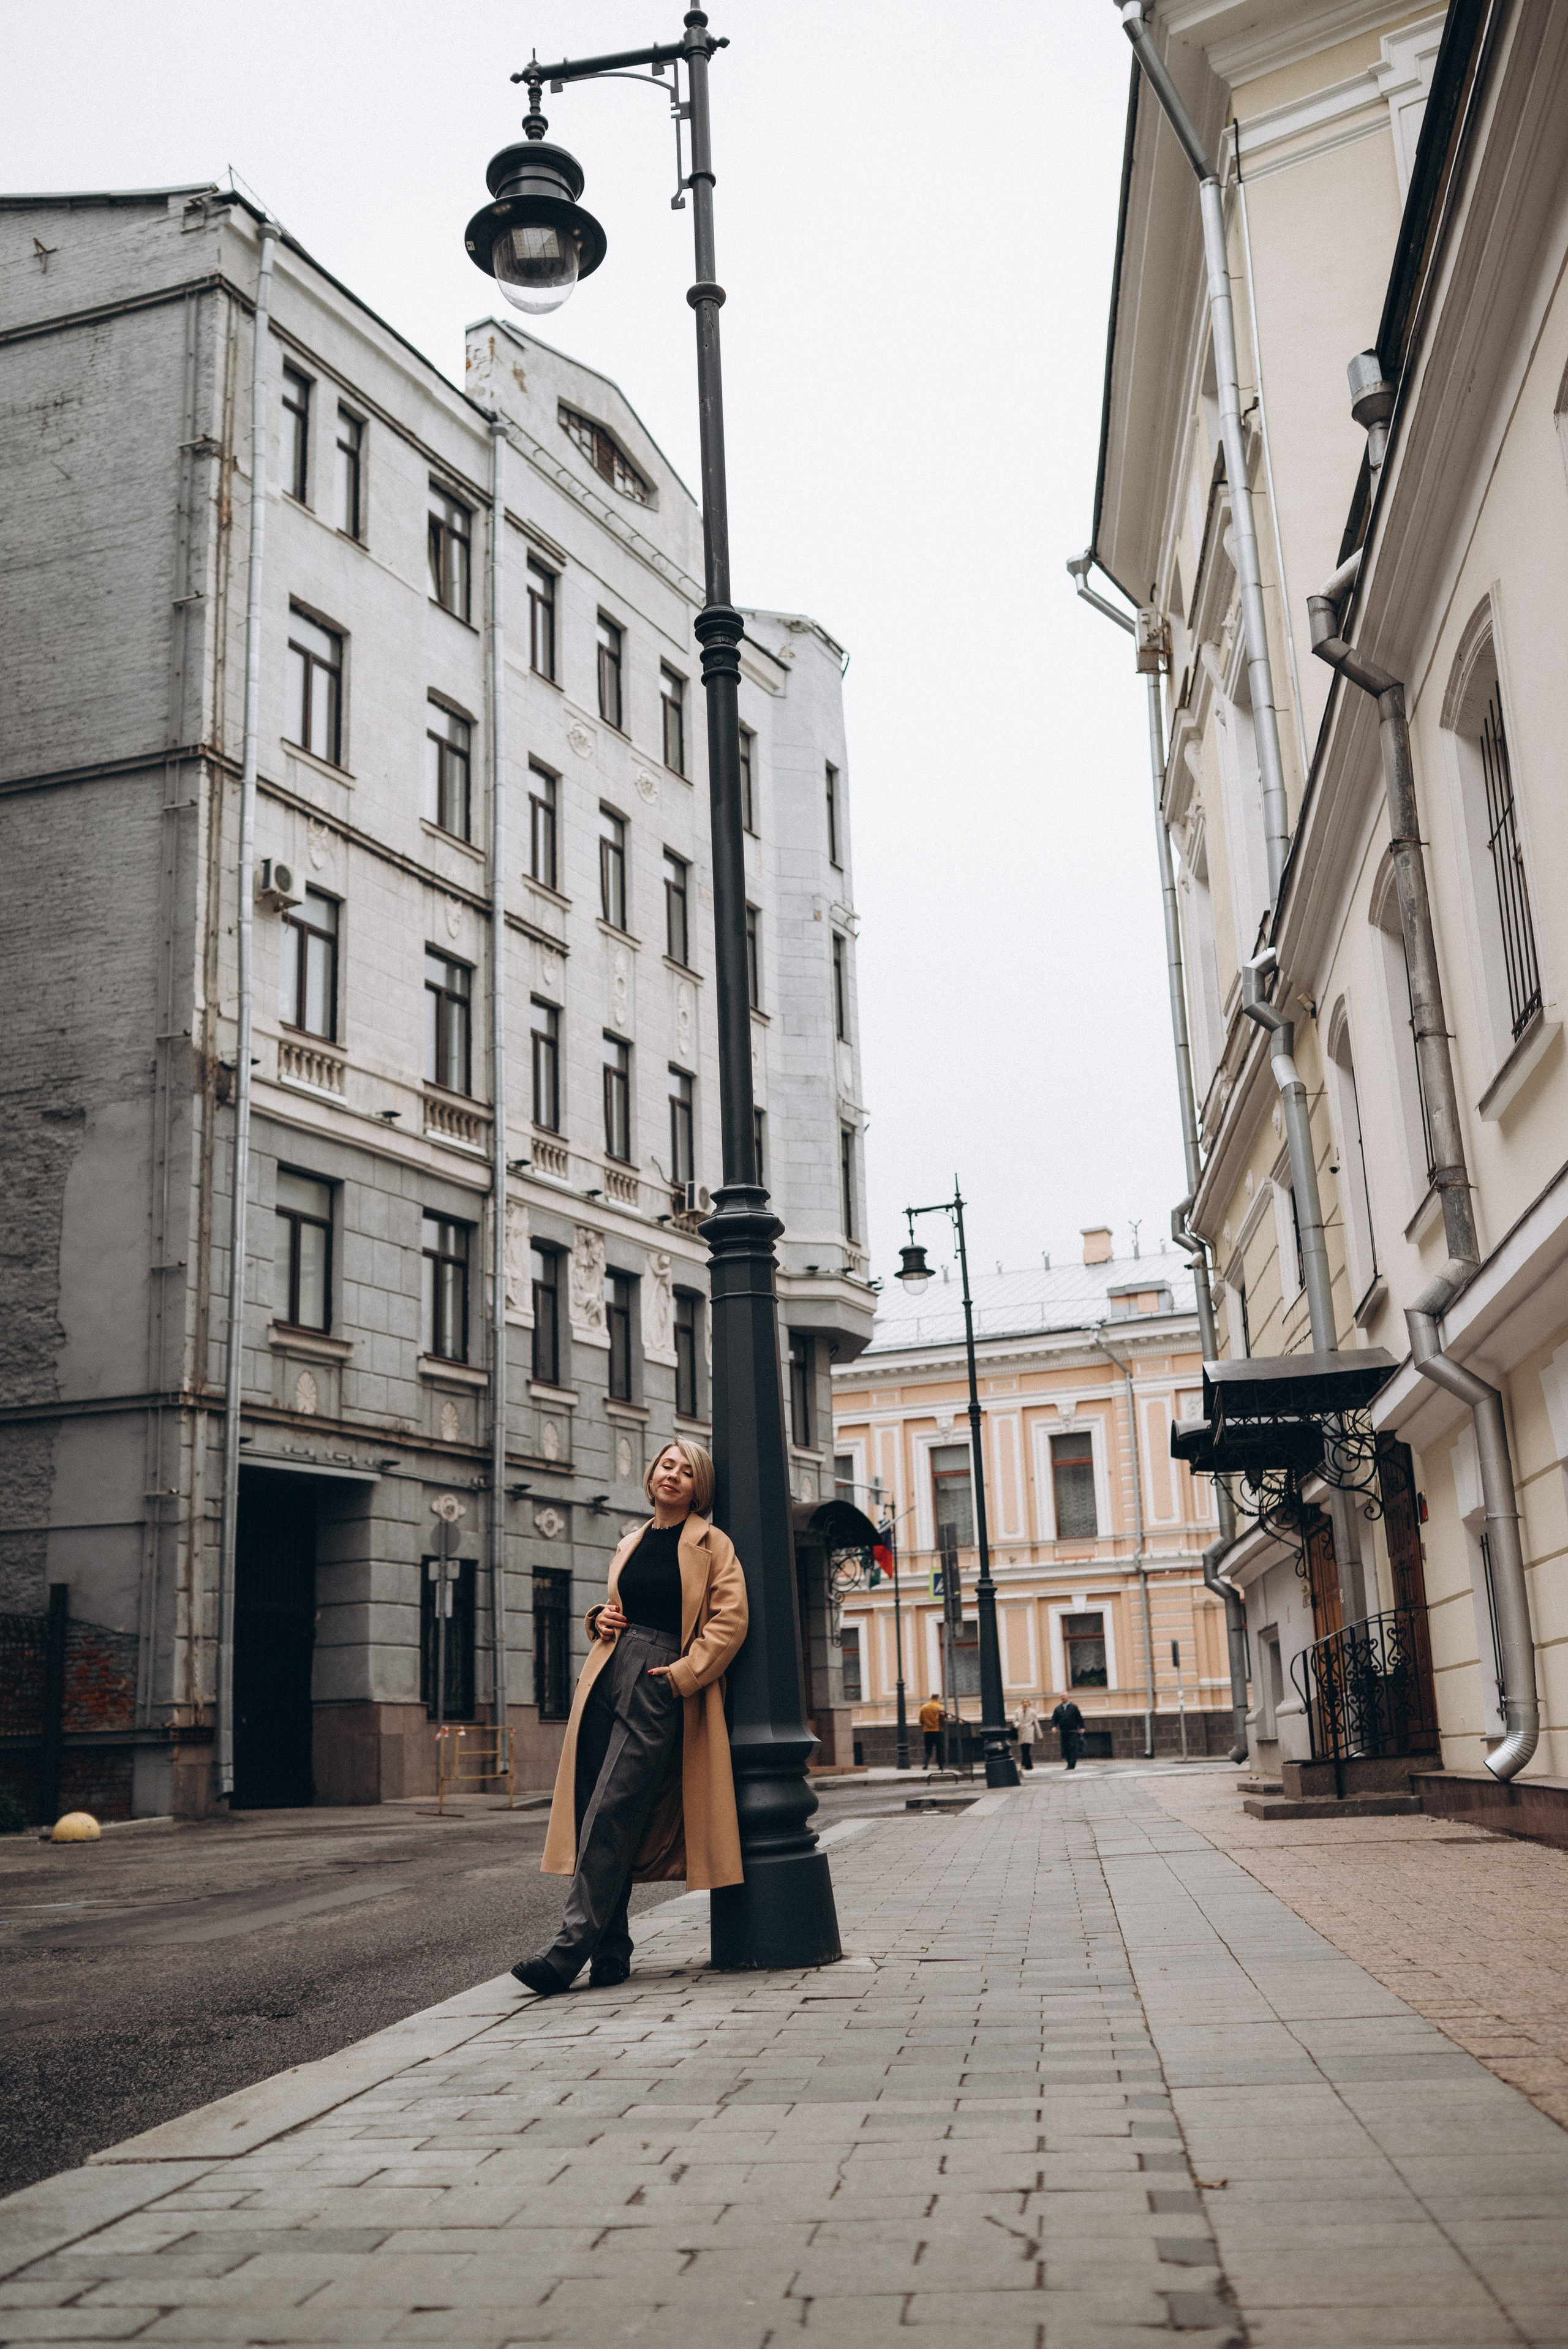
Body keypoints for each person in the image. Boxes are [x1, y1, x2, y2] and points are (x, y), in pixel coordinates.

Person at [511, 1439, 747, 1996]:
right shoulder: (631, 1540)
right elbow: (622, 1607)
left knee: (613, 1809)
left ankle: (568, 1951)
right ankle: (612, 1951)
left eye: (687, 1472)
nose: (674, 1475)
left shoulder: (713, 1544)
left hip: (658, 1679)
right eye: (668, 1465)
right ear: (653, 1474)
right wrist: (601, 1619)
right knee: (594, 1802)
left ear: (699, 1490)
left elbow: (729, 1619)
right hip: (605, 1674)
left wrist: (687, 1673)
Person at [1050, 1692, 1085, 1770]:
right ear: (1060, 1698)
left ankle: (1072, 1764)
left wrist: (1082, 1727)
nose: (1063, 1697)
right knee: (1065, 1747)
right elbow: (1054, 1719)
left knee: (1072, 1746)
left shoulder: (1074, 1707)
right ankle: (1069, 1762)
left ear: (1068, 1697)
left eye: (1064, 1696)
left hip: (1073, 1731)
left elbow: (1079, 1718)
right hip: (1063, 1731)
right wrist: (1054, 1727)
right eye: (1062, 1696)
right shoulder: (1058, 1708)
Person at [1015, 1698, 1044, 1771]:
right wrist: (1017, 1725)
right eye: (1024, 1702)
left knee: (1026, 1749)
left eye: (1026, 1702)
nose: (1025, 1703)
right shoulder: (1018, 1712)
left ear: (1029, 1703)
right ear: (1022, 1703)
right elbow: (1015, 1721)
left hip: (1029, 1731)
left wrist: (1039, 1734)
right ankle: (1029, 1766)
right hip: (1021, 1731)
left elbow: (1036, 1723)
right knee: (1023, 1749)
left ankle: (1023, 1764)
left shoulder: (1032, 1712)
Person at [918, 1692, 945, 1766]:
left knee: (928, 1749)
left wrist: (926, 1725)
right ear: (937, 1698)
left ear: (931, 1698)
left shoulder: (924, 1707)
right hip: (938, 1731)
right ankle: (941, 1765)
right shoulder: (940, 1708)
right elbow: (942, 1719)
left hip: (927, 1731)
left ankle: (925, 1765)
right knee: (939, 1749)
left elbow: (921, 1720)